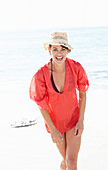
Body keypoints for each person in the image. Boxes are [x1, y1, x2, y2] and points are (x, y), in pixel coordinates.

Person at [29, 32, 89, 170]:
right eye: (55, 49)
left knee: (71, 162)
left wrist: (81, 121)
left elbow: (83, 95)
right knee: (65, 160)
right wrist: (53, 129)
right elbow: (41, 105)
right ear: (49, 51)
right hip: (55, 123)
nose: (59, 53)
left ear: (67, 50)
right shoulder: (41, 75)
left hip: (74, 119)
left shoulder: (76, 67)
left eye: (62, 49)